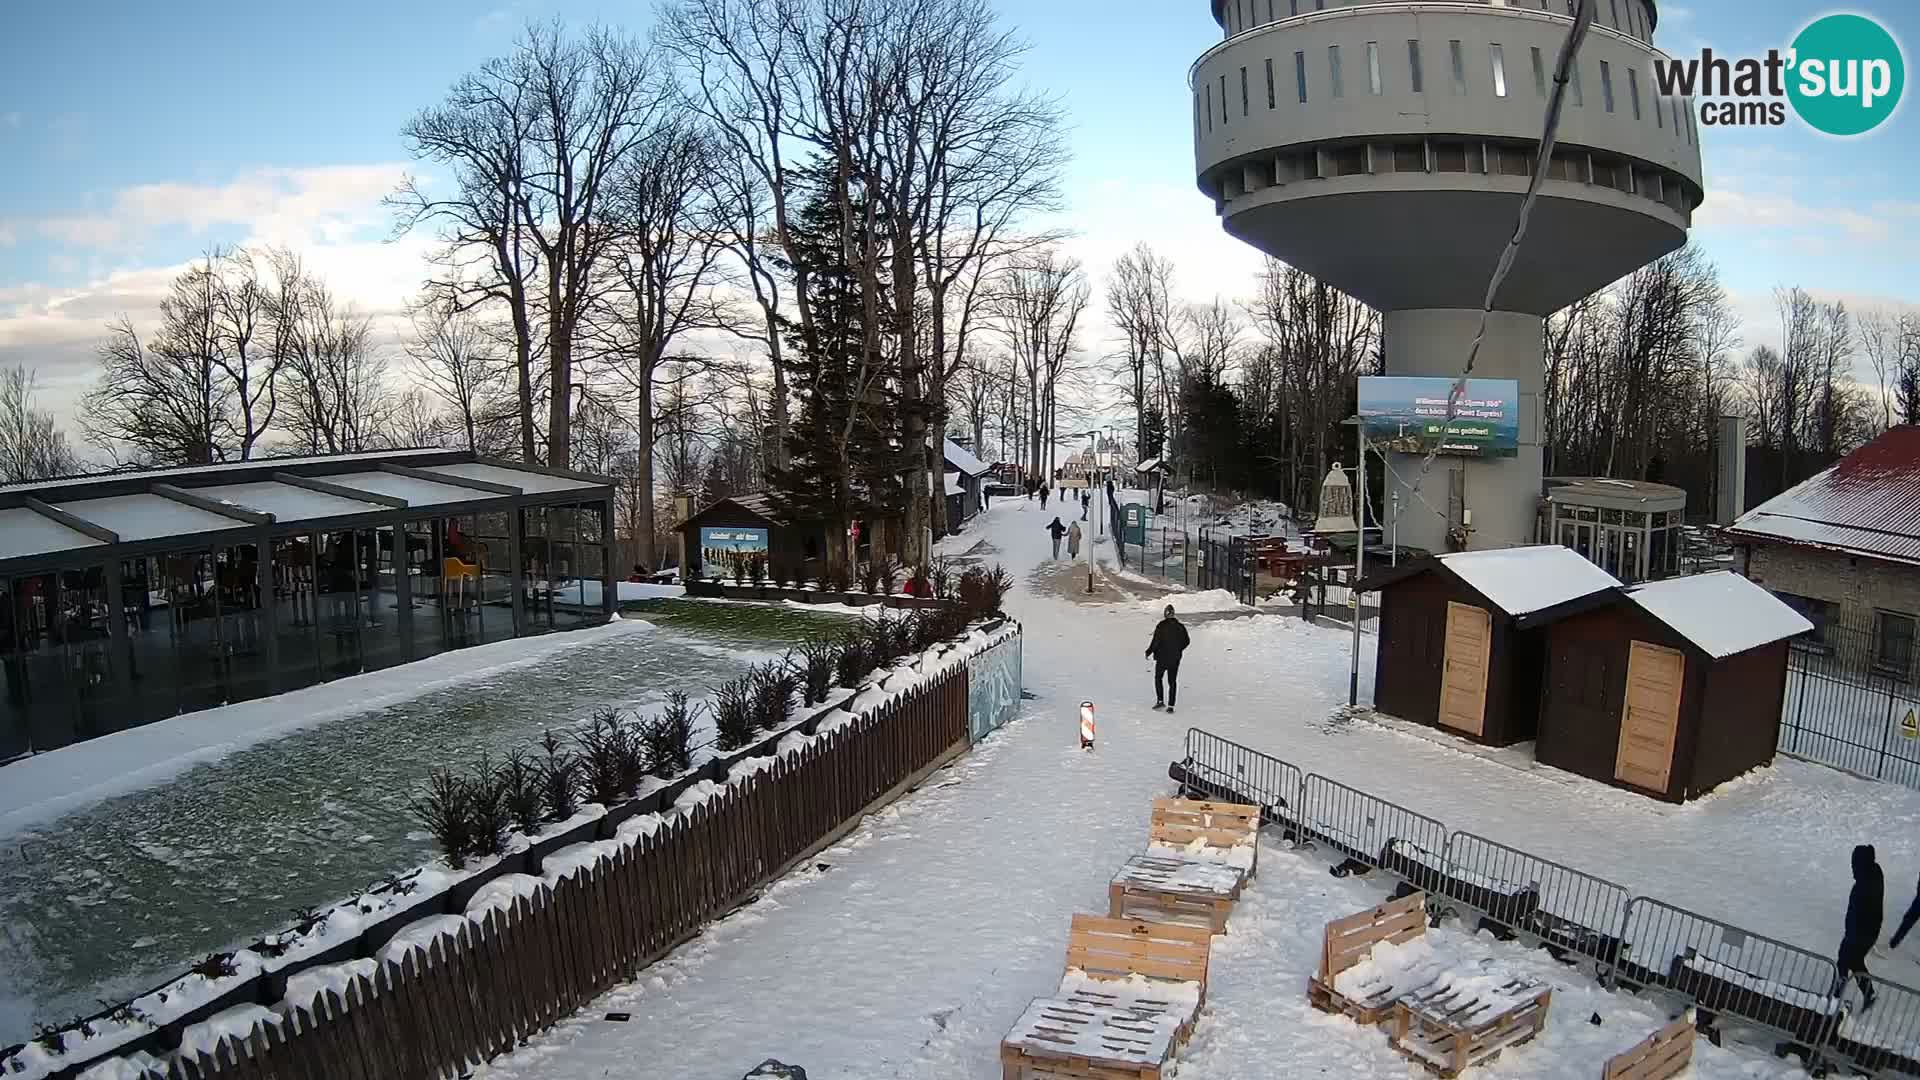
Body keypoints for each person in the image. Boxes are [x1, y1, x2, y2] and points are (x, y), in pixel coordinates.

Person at [1837, 843, 1884, 1009]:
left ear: (1861, 864)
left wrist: (1852, 934)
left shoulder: (1865, 885)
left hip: (1861, 934)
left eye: (1854, 864)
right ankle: (1842, 991)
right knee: (1846, 959)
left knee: (1851, 960)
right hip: (1861, 932)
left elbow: (1861, 913)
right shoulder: (1873, 874)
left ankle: (1840, 995)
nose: (1852, 868)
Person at [1145, 603, 1190, 712]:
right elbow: (1187, 641)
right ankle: (1171, 706)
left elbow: (1156, 641)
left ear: (1165, 614)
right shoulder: (1180, 627)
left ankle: (1160, 701)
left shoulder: (1161, 625)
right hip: (1175, 658)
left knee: (1158, 678)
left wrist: (1149, 651)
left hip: (1162, 658)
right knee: (1172, 681)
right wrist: (1178, 649)